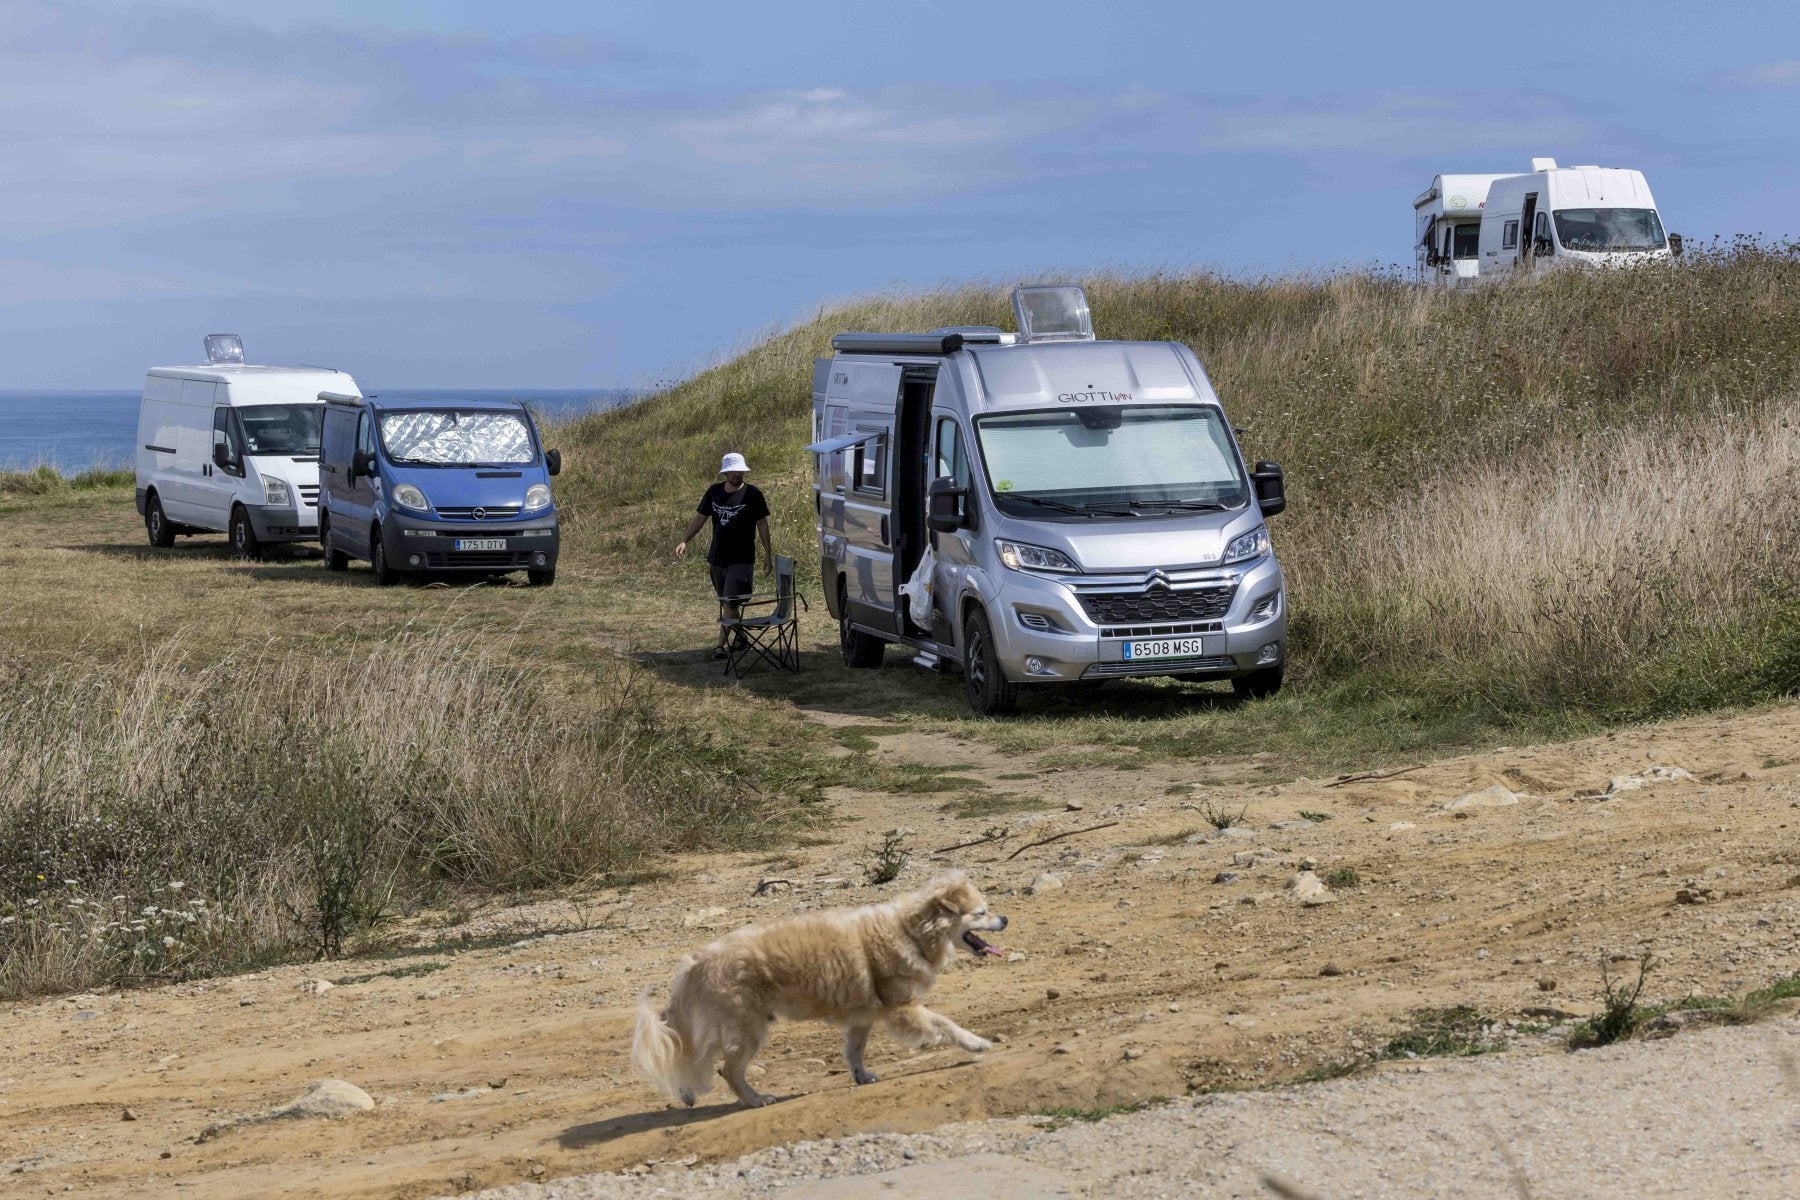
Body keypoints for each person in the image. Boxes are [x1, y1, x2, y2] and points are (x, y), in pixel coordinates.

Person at [676, 452, 773, 658]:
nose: (738, 475)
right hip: (717, 557)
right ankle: (740, 638)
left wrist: (767, 554)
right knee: (727, 601)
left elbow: (762, 524)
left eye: (741, 471)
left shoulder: (752, 494)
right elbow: (700, 518)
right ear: (726, 472)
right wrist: (685, 540)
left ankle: (720, 645)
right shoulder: (714, 492)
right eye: (734, 471)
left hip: (742, 559)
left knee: (730, 602)